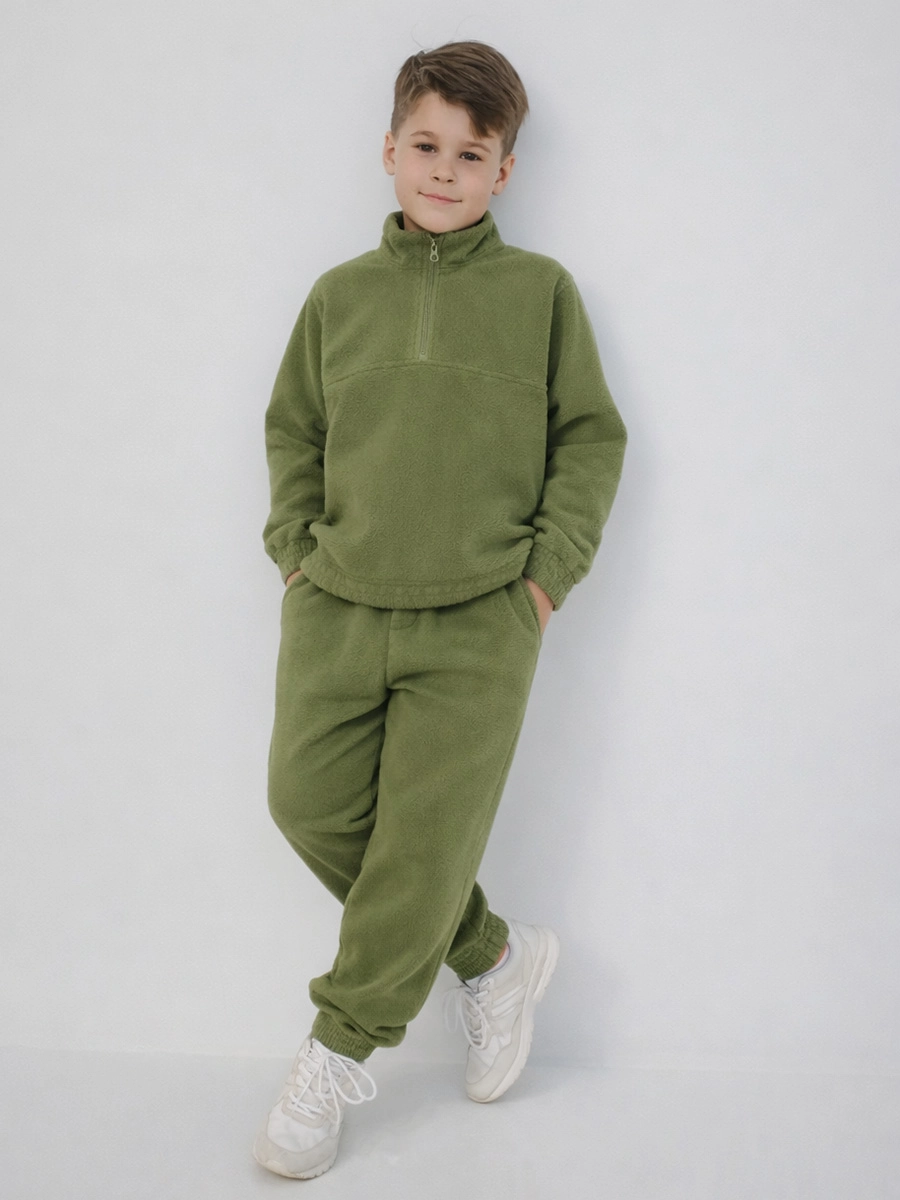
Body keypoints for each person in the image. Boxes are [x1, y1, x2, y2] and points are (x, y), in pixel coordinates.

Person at [252, 39, 627, 1180]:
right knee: (305, 802)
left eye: (473, 154)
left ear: (505, 170)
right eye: (427, 145)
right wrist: (295, 556)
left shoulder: (541, 294)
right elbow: (293, 432)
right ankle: (493, 957)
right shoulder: (338, 298)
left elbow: (590, 439)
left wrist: (545, 576)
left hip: (480, 617)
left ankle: (336, 1048)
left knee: (420, 843)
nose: (446, 171)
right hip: (339, 603)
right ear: (389, 150)